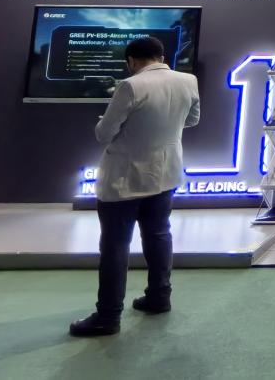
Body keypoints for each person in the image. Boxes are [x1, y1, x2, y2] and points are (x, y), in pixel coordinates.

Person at [69, 36, 200, 337]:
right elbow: (192, 120)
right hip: (166, 173)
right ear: (162, 56)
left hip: (124, 180)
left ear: (131, 61)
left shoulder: (130, 86)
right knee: (159, 235)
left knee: (115, 245)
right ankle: (159, 297)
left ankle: (107, 316)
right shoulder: (188, 80)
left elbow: (104, 134)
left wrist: (116, 124)